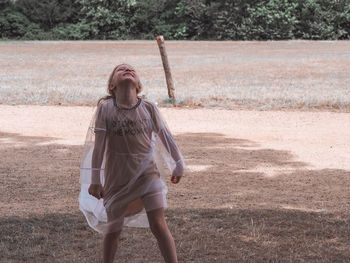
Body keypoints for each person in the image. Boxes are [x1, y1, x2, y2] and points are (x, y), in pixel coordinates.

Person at [78, 63, 186, 263]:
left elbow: (166, 137)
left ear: (138, 86)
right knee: (113, 228)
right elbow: (99, 147)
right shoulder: (105, 109)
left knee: (159, 225)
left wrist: (178, 163)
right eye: (120, 69)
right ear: (112, 85)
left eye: (131, 70)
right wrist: (95, 179)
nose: (127, 70)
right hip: (117, 178)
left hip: (147, 175)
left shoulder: (149, 107)